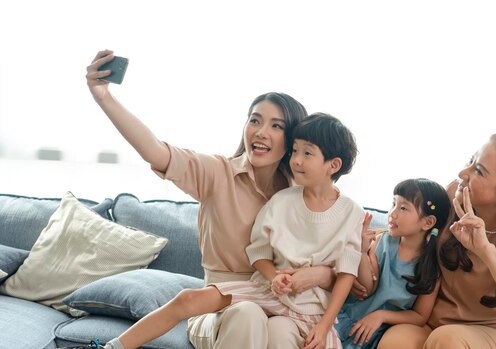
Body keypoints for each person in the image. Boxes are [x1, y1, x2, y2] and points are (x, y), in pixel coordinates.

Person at [85, 50, 335, 349]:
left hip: (283, 309)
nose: (261, 132)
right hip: (220, 309)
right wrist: (104, 98)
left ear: (293, 139)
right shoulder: (218, 173)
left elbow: (339, 261)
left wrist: (322, 273)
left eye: (276, 126)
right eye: (255, 121)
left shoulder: (303, 193)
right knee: (248, 314)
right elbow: (156, 151)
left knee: (279, 328)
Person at [100, 113, 364, 349]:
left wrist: (324, 324)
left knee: (280, 332)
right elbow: (259, 251)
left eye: (307, 153)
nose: (296, 160)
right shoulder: (282, 199)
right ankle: (111, 346)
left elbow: (346, 274)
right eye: (295, 151)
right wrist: (273, 277)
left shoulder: (351, 212)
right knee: (188, 299)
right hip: (268, 291)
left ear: (333, 165)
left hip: (309, 310)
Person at [377, 131, 496, 349]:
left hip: (493, 335)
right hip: (433, 327)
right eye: (471, 160)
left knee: (448, 340)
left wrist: (485, 250)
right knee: (397, 340)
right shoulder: (452, 197)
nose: (462, 172)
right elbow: (412, 225)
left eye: (478, 170)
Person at [335, 178, 451, 349]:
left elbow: (419, 315)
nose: (392, 213)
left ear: (427, 222)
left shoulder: (431, 267)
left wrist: (381, 315)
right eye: (393, 204)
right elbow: (368, 288)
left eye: (403, 208)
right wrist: (362, 253)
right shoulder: (383, 241)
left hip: (373, 334)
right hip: (348, 315)